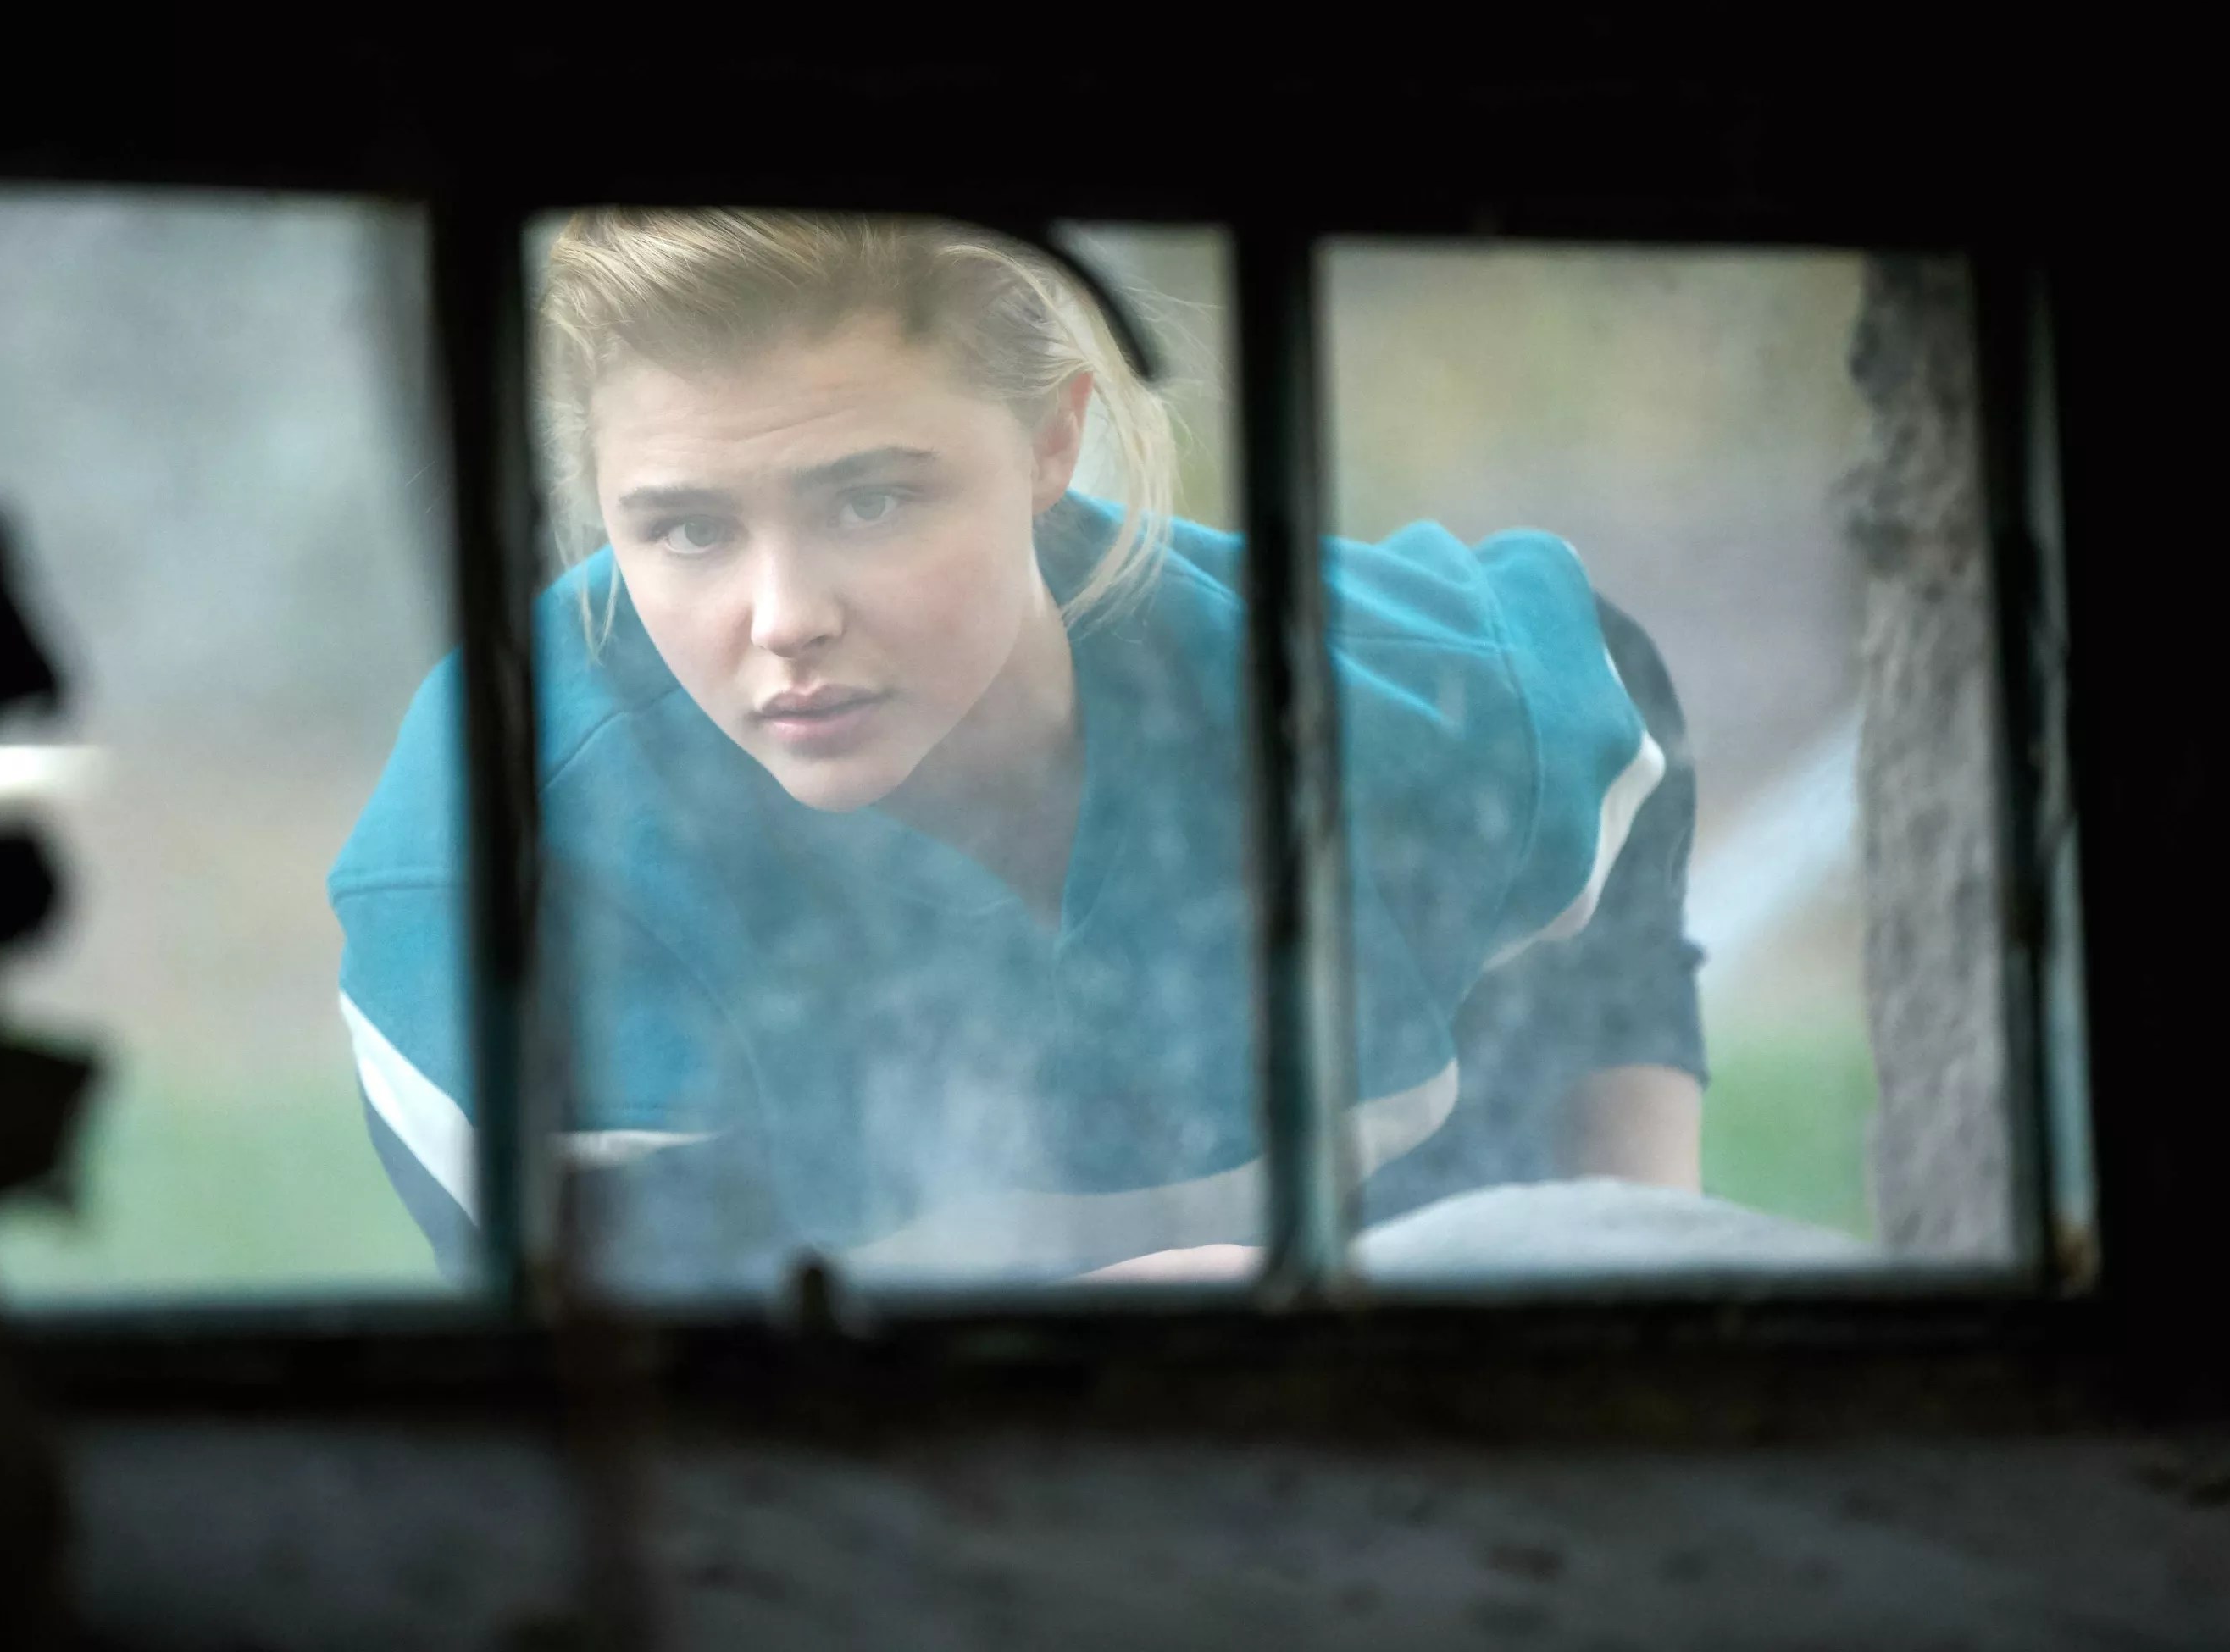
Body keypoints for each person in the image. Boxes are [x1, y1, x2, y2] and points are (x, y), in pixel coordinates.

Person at [330, 208, 1700, 1294]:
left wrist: (1626, 1261)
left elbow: (1602, 718)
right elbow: (661, 1454)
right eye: (688, 530)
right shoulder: (497, 873)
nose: (784, 619)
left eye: (870, 500)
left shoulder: (1414, 710)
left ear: (1052, 439)